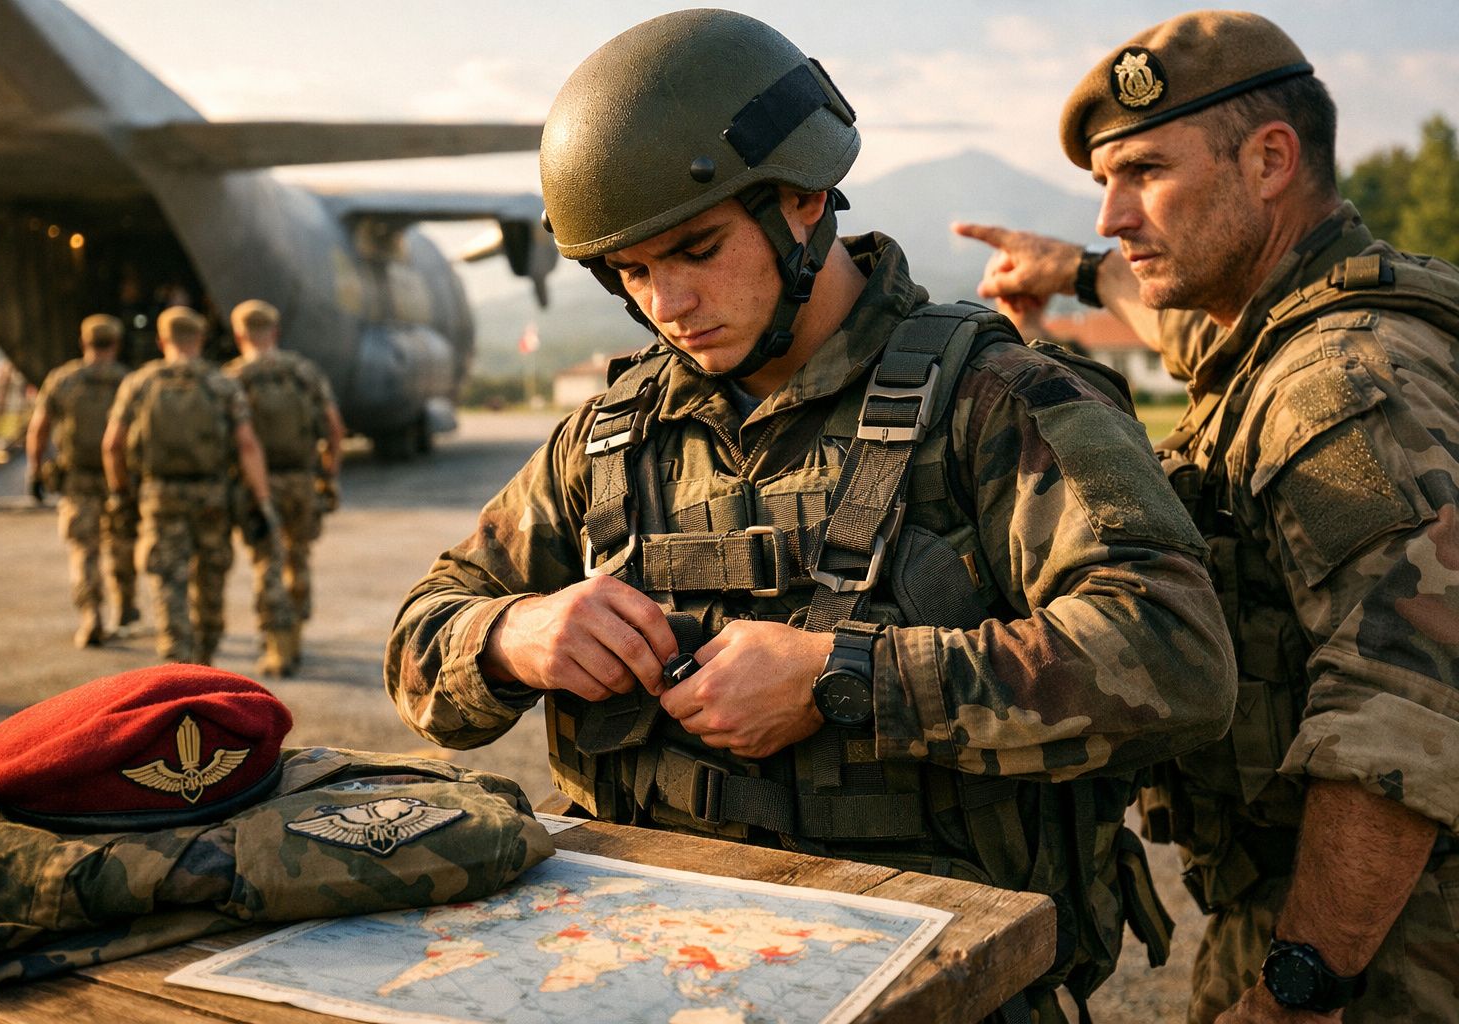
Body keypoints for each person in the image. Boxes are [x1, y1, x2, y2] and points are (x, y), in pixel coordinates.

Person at [385, 11, 1235, 1020]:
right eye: (634, 271)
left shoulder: (1000, 401)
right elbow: (421, 641)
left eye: (696, 248)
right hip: (647, 974)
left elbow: (1179, 659)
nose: (668, 301)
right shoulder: (611, 436)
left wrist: (844, 678)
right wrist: (511, 634)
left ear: (805, 200)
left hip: (932, 985)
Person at [953, 11, 1459, 1022]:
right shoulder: (1303, 316)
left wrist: (1297, 991)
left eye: (1142, 171)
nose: (1112, 214)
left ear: (1271, 160)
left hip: (1389, 948)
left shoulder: (1340, 386)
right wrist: (1075, 276)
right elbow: (1202, 338)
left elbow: (1404, 718)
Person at [103, 306, 280, 666]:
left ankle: (176, 660)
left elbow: (112, 445)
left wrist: (121, 494)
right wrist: (261, 500)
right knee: (210, 580)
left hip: (159, 497)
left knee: (167, 583)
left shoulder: (140, 383)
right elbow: (247, 445)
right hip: (212, 499)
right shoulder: (221, 384)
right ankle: (205, 656)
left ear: (162, 340)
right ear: (199, 338)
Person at [223, 299, 345, 677]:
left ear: (240, 334)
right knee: (299, 557)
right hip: (302, 481)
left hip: (259, 484)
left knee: (268, 564)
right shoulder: (303, 372)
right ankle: (295, 633)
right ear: (274, 332)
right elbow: (334, 427)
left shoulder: (232, 378)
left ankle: (277, 645)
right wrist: (329, 474)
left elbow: (236, 440)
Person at [25, 313, 138, 647]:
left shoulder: (63, 380)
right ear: (116, 343)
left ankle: (91, 617)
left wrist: (35, 470)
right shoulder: (128, 381)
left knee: (83, 551)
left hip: (76, 480)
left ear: (84, 342)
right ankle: (126, 607)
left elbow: (39, 429)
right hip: (119, 478)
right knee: (123, 545)